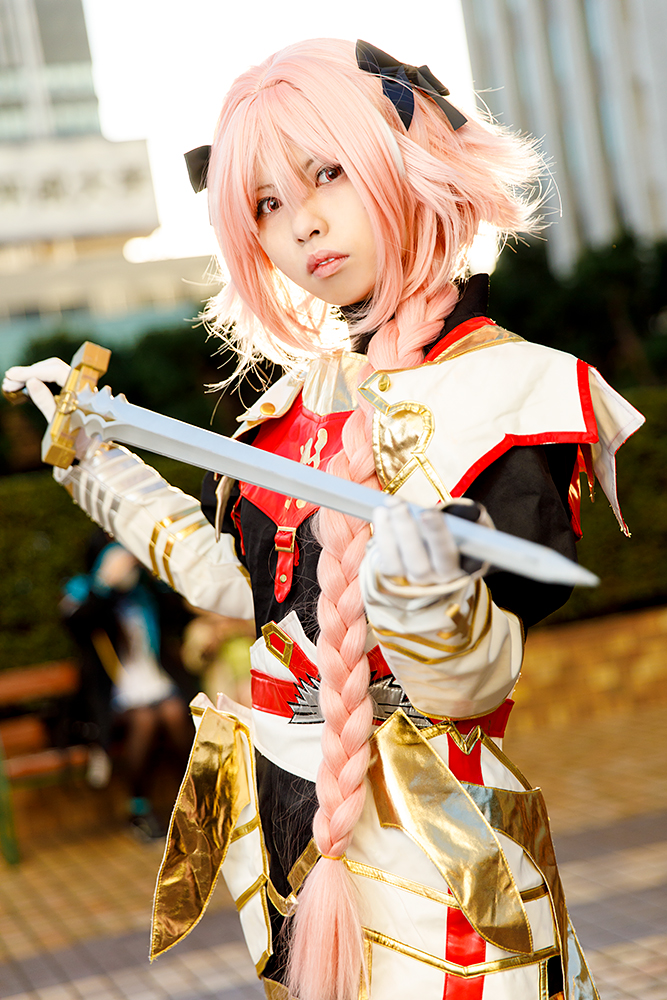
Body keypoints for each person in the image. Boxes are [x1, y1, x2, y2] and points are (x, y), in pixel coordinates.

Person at [3, 38, 644, 1000]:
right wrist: (93, 456)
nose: (301, 223)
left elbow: (471, 683)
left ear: (408, 161)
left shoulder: (519, 391)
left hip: (444, 863)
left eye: (326, 174)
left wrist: (419, 597)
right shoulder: (291, 408)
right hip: (283, 834)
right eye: (264, 203)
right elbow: (233, 586)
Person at [60, 530, 196, 838]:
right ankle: (139, 808)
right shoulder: (85, 594)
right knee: (145, 719)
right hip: (115, 693)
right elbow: (76, 623)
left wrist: (153, 572)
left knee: (175, 712)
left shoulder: (145, 593)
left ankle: (191, 800)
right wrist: (103, 584)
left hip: (156, 682)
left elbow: (179, 613)